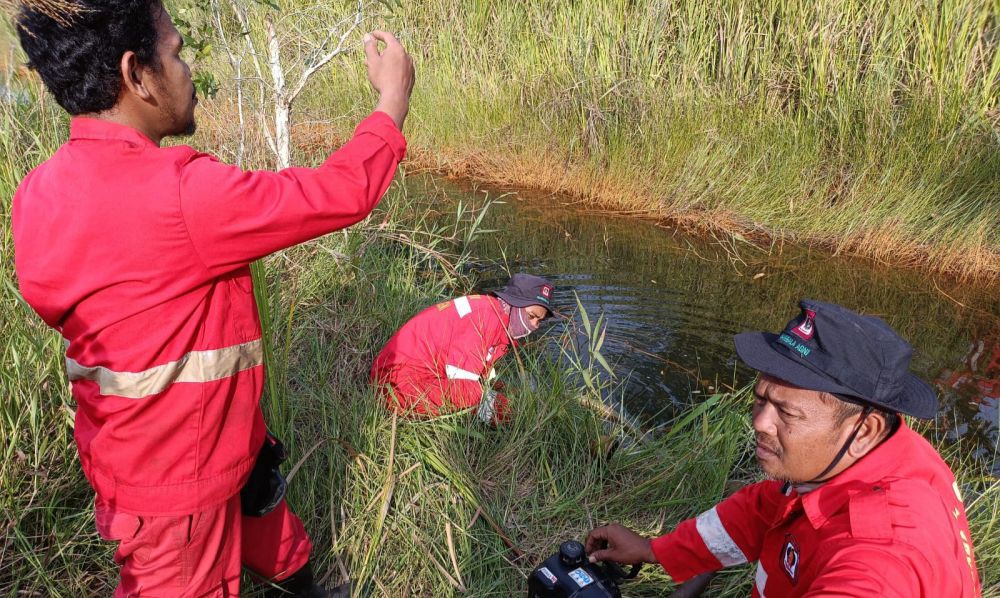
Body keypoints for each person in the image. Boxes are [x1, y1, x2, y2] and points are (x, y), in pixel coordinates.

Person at [12, 0, 414, 595]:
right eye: (176, 53)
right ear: (137, 75)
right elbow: (340, 192)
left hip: (170, 452)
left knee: (277, 539)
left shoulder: (37, 193)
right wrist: (392, 101)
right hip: (181, 488)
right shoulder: (180, 194)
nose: (187, 70)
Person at [585, 300, 982, 597]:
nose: (759, 422)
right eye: (760, 399)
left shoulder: (881, 556)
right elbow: (766, 509)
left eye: (787, 413)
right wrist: (657, 550)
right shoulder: (871, 453)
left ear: (864, 429)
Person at [371, 273, 554, 423]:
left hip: (403, 376)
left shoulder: (491, 311)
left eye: (539, 320)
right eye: (532, 316)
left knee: (496, 392)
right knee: (494, 405)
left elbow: (478, 372)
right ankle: (509, 425)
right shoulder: (486, 319)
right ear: (515, 303)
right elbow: (465, 387)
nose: (535, 325)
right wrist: (507, 412)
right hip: (396, 387)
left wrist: (502, 389)